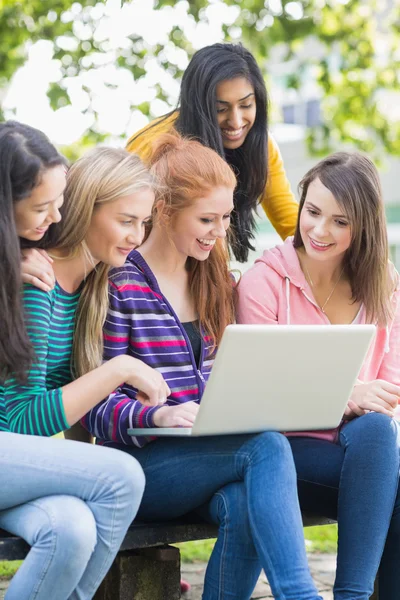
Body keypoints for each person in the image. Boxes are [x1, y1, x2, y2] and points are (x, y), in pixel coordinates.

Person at [83, 133, 323, 600]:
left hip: (206, 459)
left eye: (226, 217)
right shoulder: (121, 284)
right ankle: (302, 595)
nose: (218, 231)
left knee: (246, 502)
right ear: (166, 212)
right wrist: (158, 414)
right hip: (138, 467)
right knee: (267, 447)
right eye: (206, 219)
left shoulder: (213, 277)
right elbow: (95, 407)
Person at [0, 121, 166, 599]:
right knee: (121, 477)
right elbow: (17, 421)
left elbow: (73, 419)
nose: (137, 236)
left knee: (71, 528)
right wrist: (119, 370)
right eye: (125, 220)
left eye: (144, 223)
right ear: (86, 209)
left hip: (15, 467)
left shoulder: (92, 290)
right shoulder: (37, 283)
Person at [236, 151, 400, 600]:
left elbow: (389, 389)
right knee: (389, 468)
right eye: (312, 212)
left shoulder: (384, 284)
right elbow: (260, 392)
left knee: (377, 430)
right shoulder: (263, 284)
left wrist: (359, 401)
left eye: (340, 221)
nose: (320, 231)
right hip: (284, 451)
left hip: (363, 448)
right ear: (301, 204)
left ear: (363, 226)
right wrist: (348, 395)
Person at [126, 42, 298, 263]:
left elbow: (290, 223)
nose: (236, 122)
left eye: (246, 105)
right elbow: (123, 226)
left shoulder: (261, 146)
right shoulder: (152, 148)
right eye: (220, 109)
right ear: (198, 108)